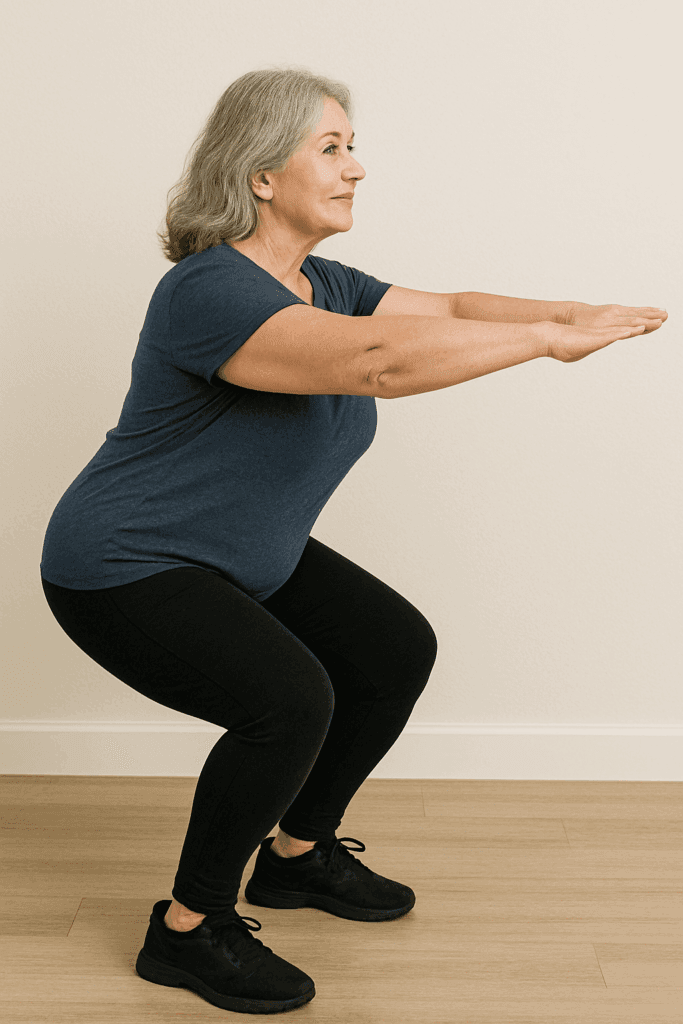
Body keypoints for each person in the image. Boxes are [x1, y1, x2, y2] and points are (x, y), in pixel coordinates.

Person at [39, 66, 667, 1015]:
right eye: (330, 148)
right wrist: (543, 341)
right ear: (260, 174)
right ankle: (188, 928)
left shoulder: (321, 283)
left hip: (238, 551)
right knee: (289, 701)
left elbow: (450, 309)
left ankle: (295, 855)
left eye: (351, 147)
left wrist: (566, 312)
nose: (356, 168)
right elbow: (378, 364)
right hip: (128, 562)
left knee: (390, 650)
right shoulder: (209, 290)